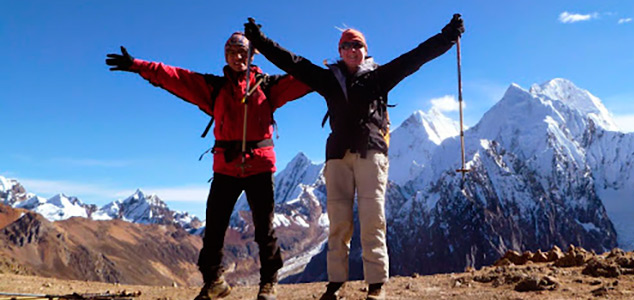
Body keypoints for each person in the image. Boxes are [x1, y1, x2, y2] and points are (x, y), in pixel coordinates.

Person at [243, 14, 464, 300]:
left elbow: (415, 58)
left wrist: (446, 37)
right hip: (337, 157)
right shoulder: (327, 79)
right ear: (339, 51)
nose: (351, 50)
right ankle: (336, 282)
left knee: (373, 219)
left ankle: (376, 285)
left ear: (365, 50)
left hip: (370, 153)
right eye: (346, 45)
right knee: (339, 222)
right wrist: (260, 41)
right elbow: (292, 62)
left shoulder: (378, 77)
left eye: (356, 45)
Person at [105, 32, 311, 300]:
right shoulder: (214, 88)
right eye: (231, 52)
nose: (237, 57)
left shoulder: (268, 87)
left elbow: (306, 77)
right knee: (214, 229)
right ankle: (215, 281)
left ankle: (268, 282)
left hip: (259, 167)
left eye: (242, 52)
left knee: (265, 230)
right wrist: (136, 65)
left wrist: (337, 70)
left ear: (252, 56)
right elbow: (174, 76)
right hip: (226, 168)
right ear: (225, 56)